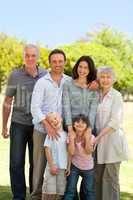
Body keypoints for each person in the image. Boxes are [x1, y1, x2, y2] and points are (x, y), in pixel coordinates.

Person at [1, 44, 47, 200]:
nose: (30, 58)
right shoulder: (15, 75)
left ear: (38, 57)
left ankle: (35, 195)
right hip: (18, 123)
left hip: (38, 126)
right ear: (23, 57)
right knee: (16, 162)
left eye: (33, 55)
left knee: (36, 163)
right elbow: (7, 101)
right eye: (27, 55)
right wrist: (4, 126)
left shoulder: (45, 75)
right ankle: (18, 196)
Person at [30, 49, 70, 200]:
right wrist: (47, 125)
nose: (57, 64)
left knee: (61, 165)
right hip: (42, 130)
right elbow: (35, 107)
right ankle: (36, 197)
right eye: (54, 61)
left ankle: (60, 196)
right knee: (40, 167)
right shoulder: (42, 82)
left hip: (62, 132)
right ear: (50, 63)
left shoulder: (69, 81)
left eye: (60, 61)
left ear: (65, 62)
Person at [62, 55, 99, 199]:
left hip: (88, 129)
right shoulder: (68, 85)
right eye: (80, 67)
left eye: (86, 68)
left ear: (90, 70)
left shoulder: (94, 87)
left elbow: (93, 110)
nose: (82, 70)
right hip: (71, 127)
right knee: (71, 166)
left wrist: (88, 132)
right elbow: (66, 107)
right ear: (76, 67)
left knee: (86, 165)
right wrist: (70, 129)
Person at [94, 66, 129, 200]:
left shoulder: (116, 96)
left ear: (113, 79)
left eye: (108, 77)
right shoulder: (96, 95)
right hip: (97, 143)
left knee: (110, 179)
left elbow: (115, 122)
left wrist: (98, 137)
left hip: (112, 143)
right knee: (97, 179)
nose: (105, 79)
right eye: (102, 76)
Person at [64, 114, 95, 200]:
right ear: (73, 124)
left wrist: (87, 138)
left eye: (83, 122)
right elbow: (71, 153)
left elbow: (88, 151)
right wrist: (69, 167)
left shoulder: (91, 137)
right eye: (77, 122)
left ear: (87, 126)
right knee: (70, 190)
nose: (80, 124)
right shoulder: (70, 137)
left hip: (88, 168)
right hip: (75, 166)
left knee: (89, 191)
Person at [42, 112, 68, 200]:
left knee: (59, 193)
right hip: (52, 167)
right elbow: (47, 149)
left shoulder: (66, 135)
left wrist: (68, 167)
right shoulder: (51, 135)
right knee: (49, 192)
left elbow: (69, 153)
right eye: (51, 121)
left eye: (55, 118)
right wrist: (52, 165)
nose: (54, 121)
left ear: (61, 118)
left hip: (62, 169)